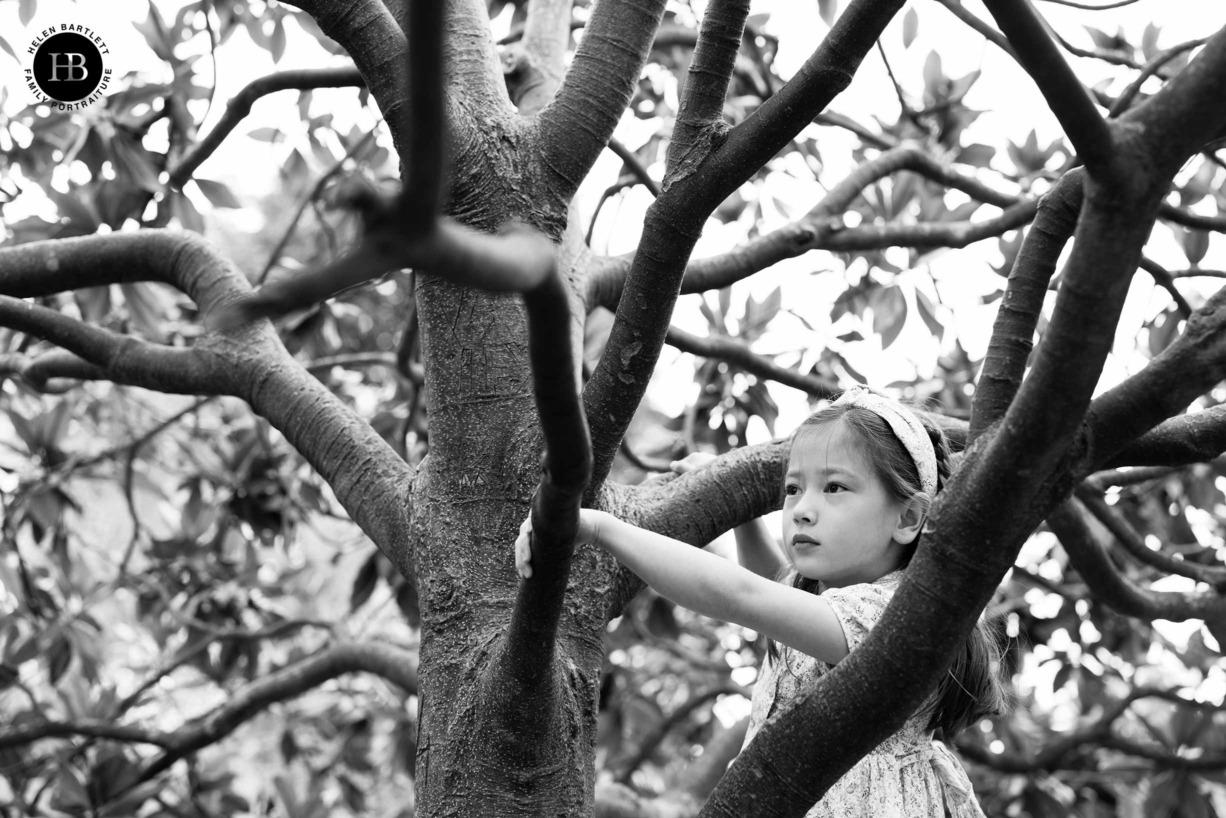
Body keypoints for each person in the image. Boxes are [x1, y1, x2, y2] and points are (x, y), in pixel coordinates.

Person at [515, 386, 1008, 817]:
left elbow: (744, 595)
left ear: (908, 518)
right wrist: (740, 515)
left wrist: (602, 528)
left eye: (834, 487)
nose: (802, 510)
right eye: (793, 489)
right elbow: (772, 588)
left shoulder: (896, 616)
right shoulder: (831, 606)